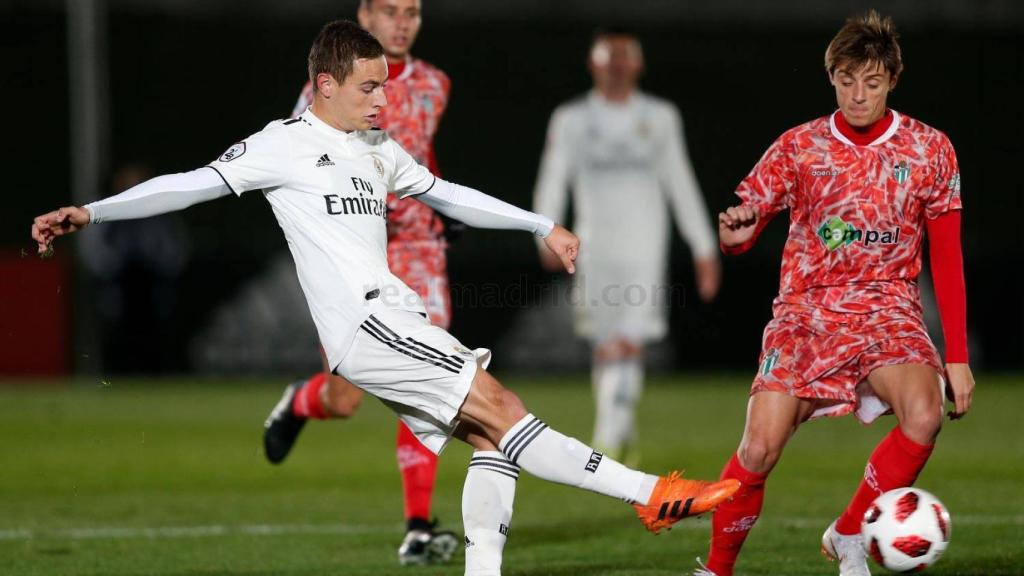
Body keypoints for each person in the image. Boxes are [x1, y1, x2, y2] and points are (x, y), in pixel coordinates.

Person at [32, 21, 740, 576]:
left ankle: (484, 570)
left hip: (393, 316)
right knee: (506, 408)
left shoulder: (378, 149)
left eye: (385, 86)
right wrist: (91, 212)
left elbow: (450, 194)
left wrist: (540, 224)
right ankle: (649, 495)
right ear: (324, 84)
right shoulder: (281, 146)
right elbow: (186, 183)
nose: (383, 99)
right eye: (369, 87)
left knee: (489, 436)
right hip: (366, 326)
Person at [692, 11, 975, 576]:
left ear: (893, 79)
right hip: (808, 314)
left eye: (871, 82)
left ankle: (850, 533)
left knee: (923, 414)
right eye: (846, 81)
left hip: (889, 309)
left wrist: (959, 357)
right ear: (832, 77)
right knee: (758, 449)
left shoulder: (930, 149)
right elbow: (740, 229)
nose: (858, 95)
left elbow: (947, 255)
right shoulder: (799, 147)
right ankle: (717, 570)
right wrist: (735, 236)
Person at [263, 0, 459, 565]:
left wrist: (445, 204)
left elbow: (415, 155)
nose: (403, 22)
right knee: (345, 399)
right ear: (364, 14)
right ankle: (299, 403)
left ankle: (418, 527)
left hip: (418, 247)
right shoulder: (322, 92)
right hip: (355, 252)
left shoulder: (434, 83)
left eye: (413, 11)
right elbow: (301, 163)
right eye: (391, 10)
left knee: (434, 379)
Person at [533, 29, 720, 464]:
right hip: (593, 242)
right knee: (604, 339)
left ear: (637, 65)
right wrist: (543, 229)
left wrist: (703, 246)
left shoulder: (660, 116)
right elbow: (553, 175)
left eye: (625, 58)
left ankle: (608, 437)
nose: (617, 66)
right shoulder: (571, 118)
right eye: (609, 58)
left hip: (644, 243)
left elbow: (680, 180)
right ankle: (615, 429)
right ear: (593, 64)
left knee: (631, 339)